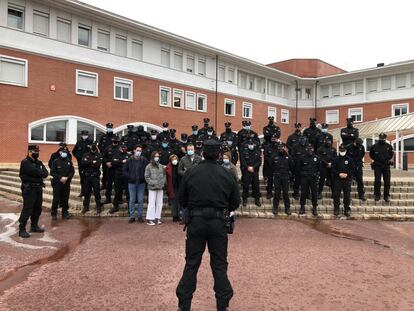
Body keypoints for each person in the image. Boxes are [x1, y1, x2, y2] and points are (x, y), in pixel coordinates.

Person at [176, 140, 241, 311]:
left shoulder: (191, 172)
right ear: (219, 154)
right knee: (219, 265)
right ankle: (222, 304)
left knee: (191, 263)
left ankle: (184, 305)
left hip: (196, 222)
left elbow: (181, 199)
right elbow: (235, 202)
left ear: (203, 152)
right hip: (218, 222)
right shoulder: (226, 173)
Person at [18, 145, 49, 238]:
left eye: (37, 151)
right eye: (35, 151)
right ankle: (22, 229)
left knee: (37, 208)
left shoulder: (39, 162)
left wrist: (38, 175)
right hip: (29, 189)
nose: (37, 153)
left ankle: (34, 226)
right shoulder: (25, 162)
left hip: (38, 188)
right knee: (28, 209)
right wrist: (39, 175)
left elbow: (45, 173)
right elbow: (38, 173)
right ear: (30, 152)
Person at [123, 145, 149, 223]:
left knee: (140, 200)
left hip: (141, 183)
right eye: (137, 150)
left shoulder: (144, 160)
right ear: (134, 150)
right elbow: (124, 170)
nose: (139, 152)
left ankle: (140, 217)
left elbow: (148, 169)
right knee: (132, 200)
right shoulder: (129, 160)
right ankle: (132, 217)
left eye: (140, 151)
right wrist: (130, 176)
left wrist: (143, 177)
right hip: (132, 183)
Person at [50, 147, 74, 220]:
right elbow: (52, 172)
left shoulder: (69, 161)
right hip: (57, 183)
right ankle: (54, 214)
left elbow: (72, 172)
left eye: (66, 153)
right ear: (60, 153)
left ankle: (65, 213)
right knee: (56, 199)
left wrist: (67, 178)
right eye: (63, 152)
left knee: (65, 198)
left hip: (66, 183)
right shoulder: (55, 161)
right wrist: (60, 178)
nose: (64, 154)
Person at [369, 132, 394, 202]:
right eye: (381, 138)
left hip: (386, 166)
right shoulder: (374, 146)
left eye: (383, 138)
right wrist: (376, 160)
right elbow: (371, 155)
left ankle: (386, 196)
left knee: (387, 181)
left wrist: (387, 160)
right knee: (377, 181)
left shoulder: (389, 146)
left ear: (385, 138)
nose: (382, 139)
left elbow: (391, 154)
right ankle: (377, 195)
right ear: (379, 138)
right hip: (377, 166)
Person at [332, 145, 354, 217]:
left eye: (343, 150)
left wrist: (347, 174)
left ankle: (347, 209)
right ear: (339, 150)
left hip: (347, 180)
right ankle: (336, 208)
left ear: (345, 151)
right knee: (336, 195)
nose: (342, 151)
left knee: (347, 195)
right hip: (337, 179)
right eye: (341, 150)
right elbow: (333, 169)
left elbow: (352, 169)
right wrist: (338, 174)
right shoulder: (335, 159)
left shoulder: (349, 160)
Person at [144, 151, 166, 225]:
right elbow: (146, 177)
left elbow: (164, 176)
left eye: (158, 156)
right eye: (155, 156)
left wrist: (162, 183)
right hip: (152, 188)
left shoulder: (161, 166)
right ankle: (150, 219)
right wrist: (153, 183)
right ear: (152, 157)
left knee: (160, 203)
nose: (157, 158)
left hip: (160, 187)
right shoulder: (148, 166)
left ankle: (158, 217)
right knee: (152, 203)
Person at [81, 142, 102, 215]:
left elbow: (98, 164)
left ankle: (98, 207)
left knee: (96, 192)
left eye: (94, 146)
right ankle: (86, 207)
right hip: (87, 176)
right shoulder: (85, 154)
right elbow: (83, 163)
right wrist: (92, 162)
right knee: (87, 192)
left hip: (95, 177)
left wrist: (88, 162)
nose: (93, 148)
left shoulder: (99, 155)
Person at [272, 144, 294, 215]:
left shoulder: (288, 156)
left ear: (285, 148)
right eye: (280, 148)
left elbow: (292, 166)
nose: (281, 149)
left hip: (285, 177)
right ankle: (275, 208)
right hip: (277, 177)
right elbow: (271, 165)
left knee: (285, 193)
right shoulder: (274, 156)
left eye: (282, 148)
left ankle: (287, 208)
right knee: (277, 193)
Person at [298, 145, 320, 216]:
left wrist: (317, 175)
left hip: (313, 178)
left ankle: (314, 208)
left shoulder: (316, 158)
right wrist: (302, 174)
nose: (310, 151)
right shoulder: (302, 158)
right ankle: (302, 207)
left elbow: (319, 169)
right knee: (303, 193)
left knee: (314, 193)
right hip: (304, 178)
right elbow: (298, 169)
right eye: (309, 150)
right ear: (306, 150)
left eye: (311, 150)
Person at [109, 143, 131, 214]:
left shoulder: (128, 155)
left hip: (126, 176)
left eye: (124, 148)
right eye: (122, 148)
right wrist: (121, 161)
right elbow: (113, 162)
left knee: (128, 192)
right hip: (118, 175)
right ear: (119, 148)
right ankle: (115, 206)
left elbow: (130, 163)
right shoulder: (116, 154)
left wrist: (118, 162)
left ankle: (129, 208)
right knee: (117, 191)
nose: (123, 149)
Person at [240, 138, 261, 207]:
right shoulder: (244, 152)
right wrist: (248, 167)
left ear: (254, 145)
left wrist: (253, 167)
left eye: (252, 144)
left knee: (256, 185)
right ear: (248, 145)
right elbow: (242, 161)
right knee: (245, 185)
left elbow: (259, 162)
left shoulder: (257, 152)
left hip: (254, 171)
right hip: (247, 170)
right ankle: (244, 199)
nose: (251, 146)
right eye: (249, 144)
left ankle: (257, 200)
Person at [73, 130, 93, 197]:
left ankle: (90, 191)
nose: (85, 136)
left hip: (88, 163)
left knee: (89, 177)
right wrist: (78, 157)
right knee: (82, 177)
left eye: (86, 135)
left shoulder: (90, 142)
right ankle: (83, 191)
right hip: (81, 163)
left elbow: (94, 151)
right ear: (81, 135)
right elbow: (74, 151)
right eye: (83, 134)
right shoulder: (79, 142)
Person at [263, 133, 280, 199]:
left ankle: (277, 194)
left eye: (275, 138)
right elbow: (266, 156)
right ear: (270, 139)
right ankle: (269, 193)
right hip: (269, 166)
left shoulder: (279, 146)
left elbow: (281, 154)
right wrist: (271, 161)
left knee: (277, 181)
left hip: (277, 166)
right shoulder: (267, 147)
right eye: (272, 138)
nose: (273, 139)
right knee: (270, 181)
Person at [98, 123, 115, 189]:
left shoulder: (115, 137)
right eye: (108, 127)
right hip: (105, 158)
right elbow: (99, 145)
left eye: (110, 127)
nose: (109, 129)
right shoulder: (103, 137)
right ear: (106, 128)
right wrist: (103, 152)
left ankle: (112, 184)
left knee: (112, 172)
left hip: (112, 158)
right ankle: (104, 184)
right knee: (104, 171)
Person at [102, 138, 118, 204]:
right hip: (109, 169)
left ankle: (117, 199)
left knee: (117, 185)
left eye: (116, 141)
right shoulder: (108, 148)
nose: (115, 142)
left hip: (117, 169)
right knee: (109, 185)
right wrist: (106, 162)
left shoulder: (120, 148)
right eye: (114, 141)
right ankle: (108, 198)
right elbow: (103, 157)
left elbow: (122, 157)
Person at [166, 154, 181, 222]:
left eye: (175, 159)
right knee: (173, 202)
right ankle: (174, 216)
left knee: (179, 202)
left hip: (179, 186)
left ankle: (178, 216)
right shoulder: (168, 167)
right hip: (171, 187)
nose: (174, 160)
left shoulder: (180, 166)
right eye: (173, 159)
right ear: (170, 160)